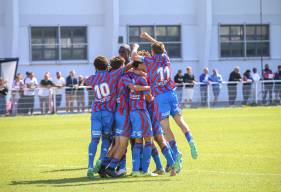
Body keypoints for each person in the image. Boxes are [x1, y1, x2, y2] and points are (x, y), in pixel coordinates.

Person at [132, 32, 198, 171]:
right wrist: (148, 37)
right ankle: (191, 140)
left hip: (160, 97)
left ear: (152, 52)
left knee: (166, 129)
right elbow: (159, 45)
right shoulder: (166, 58)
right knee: (180, 122)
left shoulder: (149, 61)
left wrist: (135, 46)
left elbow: (134, 57)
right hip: (172, 94)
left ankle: (176, 152)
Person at [86, 56, 133, 179]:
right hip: (108, 112)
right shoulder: (112, 75)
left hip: (96, 112)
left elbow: (87, 81)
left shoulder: (92, 79)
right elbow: (127, 67)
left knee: (94, 139)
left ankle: (90, 167)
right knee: (107, 138)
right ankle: (101, 160)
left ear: (95, 67)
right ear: (107, 66)